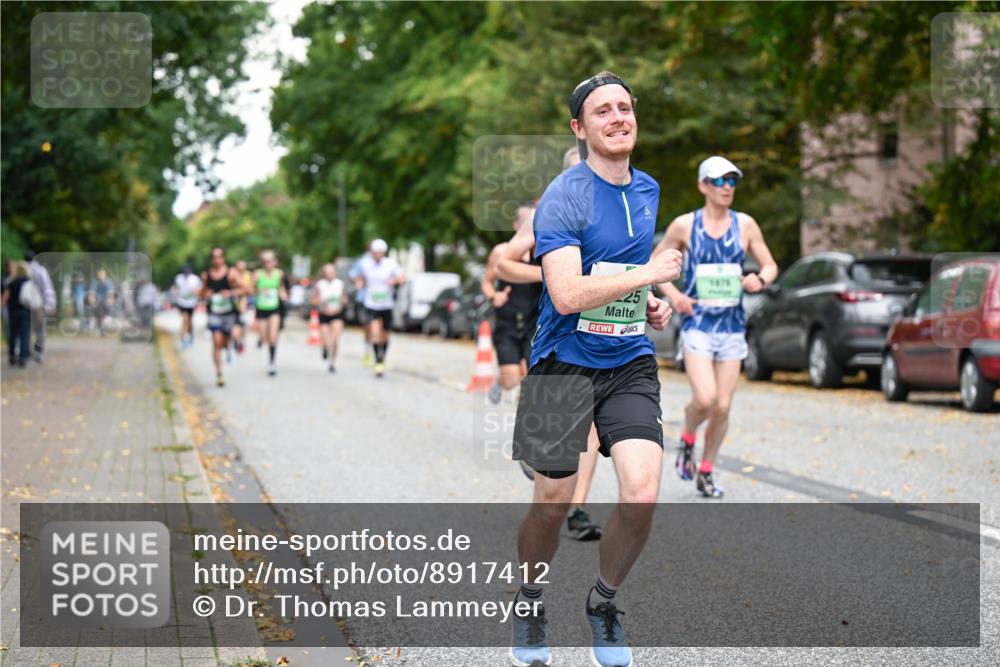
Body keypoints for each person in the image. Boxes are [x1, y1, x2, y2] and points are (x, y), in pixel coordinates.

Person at [509, 72, 682, 667]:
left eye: (625, 107)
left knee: (642, 492)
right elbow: (563, 294)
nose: (618, 117)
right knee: (552, 502)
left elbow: (615, 275)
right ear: (580, 129)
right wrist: (650, 275)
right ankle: (529, 600)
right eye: (602, 111)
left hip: (628, 359)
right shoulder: (564, 195)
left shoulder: (649, 188)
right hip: (560, 363)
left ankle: (603, 604)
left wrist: (649, 302)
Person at [652, 155, 778, 498]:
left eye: (732, 181)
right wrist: (675, 296)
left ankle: (705, 470)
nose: (727, 188)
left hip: (732, 327)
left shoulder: (746, 225)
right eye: (719, 181)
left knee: (723, 405)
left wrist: (759, 280)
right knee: (705, 398)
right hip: (697, 325)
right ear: (702, 186)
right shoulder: (685, 225)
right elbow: (653, 264)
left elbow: (769, 265)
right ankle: (688, 437)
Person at [495, 147, 604, 542]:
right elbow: (504, 264)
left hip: (603, 334)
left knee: (590, 428)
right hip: (558, 335)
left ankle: (577, 508)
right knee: (557, 446)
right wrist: (549, 275)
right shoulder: (552, 211)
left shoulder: (622, 209)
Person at [352, 239, 405, 378]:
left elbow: (402, 278)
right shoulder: (365, 264)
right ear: (372, 252)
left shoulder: (390, 264)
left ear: (384, 252)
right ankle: (378, 361)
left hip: (386, 304)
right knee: (375, 332)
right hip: (371, 304)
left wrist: (394, 281)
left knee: (385, 335)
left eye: (380, 252)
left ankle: (382, 356)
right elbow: (357, 277)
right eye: (375, 252)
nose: (377, 255)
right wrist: (359, 283)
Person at [201, 247, 243, 387]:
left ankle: (231, 344)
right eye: (214, 257)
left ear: (224, 258)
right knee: (216, 341)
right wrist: (205, 294)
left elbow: (247, 289)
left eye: (219, 256)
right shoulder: (207, 275)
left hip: (229, 313)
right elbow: (202, 292)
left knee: (224, 342)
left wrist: (231, 293)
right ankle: (219, 373)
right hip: (214, 313)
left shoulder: (231, 273)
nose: (217, 260)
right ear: (212, 259)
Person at [253, 250, 288, 377]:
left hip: (275, 308)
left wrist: (283, 294)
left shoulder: (279, 274)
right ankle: (261, 339)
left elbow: (282, 288)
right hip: (262, 308)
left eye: (270, 261)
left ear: (275, 262)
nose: (268, 263)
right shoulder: (257, 274)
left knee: (273, 336)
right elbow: (250, 289)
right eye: (265, 261)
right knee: (264, 337)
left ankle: (272, 362)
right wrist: (259, 290)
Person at [311, 263, 347, 373]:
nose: (329, 274)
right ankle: (325, 349)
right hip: (324, 314)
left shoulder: (340, 284)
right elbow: (313, 301)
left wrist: (342, 302)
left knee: (335, 340)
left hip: (337, 314)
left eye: (331, 272)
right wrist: (321, 302)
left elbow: (345, 299)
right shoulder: (319, 285)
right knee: (325, 340)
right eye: (327, 272)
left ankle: (332, 362)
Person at [2, 261, 33, 367]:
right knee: (25, 335)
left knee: (13, 334)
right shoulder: (29, 282)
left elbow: (5, 297)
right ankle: (23, 358)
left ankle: (12, 356)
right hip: (26, 312)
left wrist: (1, 306)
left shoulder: (12, 282)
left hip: (13, 312)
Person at [25, 250, 56, 362]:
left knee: (25, 329)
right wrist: (51, 304)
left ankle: (25, 351)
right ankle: (39, 351)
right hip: (39, 306)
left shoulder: (21, 270)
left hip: (23, 305)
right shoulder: (40, 271)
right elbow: (47, 287)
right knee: (40, 329)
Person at [349, 252, 374, 366]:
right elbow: (353, 275)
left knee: (381, 329)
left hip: (381, 302)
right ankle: (368, 350)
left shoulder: (387, 263)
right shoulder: (363, 261)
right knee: (368, 327)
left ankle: (378, 352)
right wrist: (359, 281)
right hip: (365, 299)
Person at [172, 264, 202, 348]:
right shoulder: (178, 278)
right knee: (185, 319)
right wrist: (176, 293)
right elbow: (175, 288)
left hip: (191, 302)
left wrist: (195, 292)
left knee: (189, 320)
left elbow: (200, 289)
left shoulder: (195, 278)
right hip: (181, 302)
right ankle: (184, 336)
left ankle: (189, 334)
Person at [89, 269, 115, 336]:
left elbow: (111, 293)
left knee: (106, 314)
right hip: (98, 301)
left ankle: (105, 328)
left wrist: (110, 300)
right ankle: (100, 329)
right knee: (98, 314)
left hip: (105, 300)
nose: (100, 277)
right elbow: (92, 292)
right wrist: (92, 300)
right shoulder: (95, 282)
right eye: (99, 275)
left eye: (102, 275)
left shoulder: (108, 282)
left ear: (105, 276)